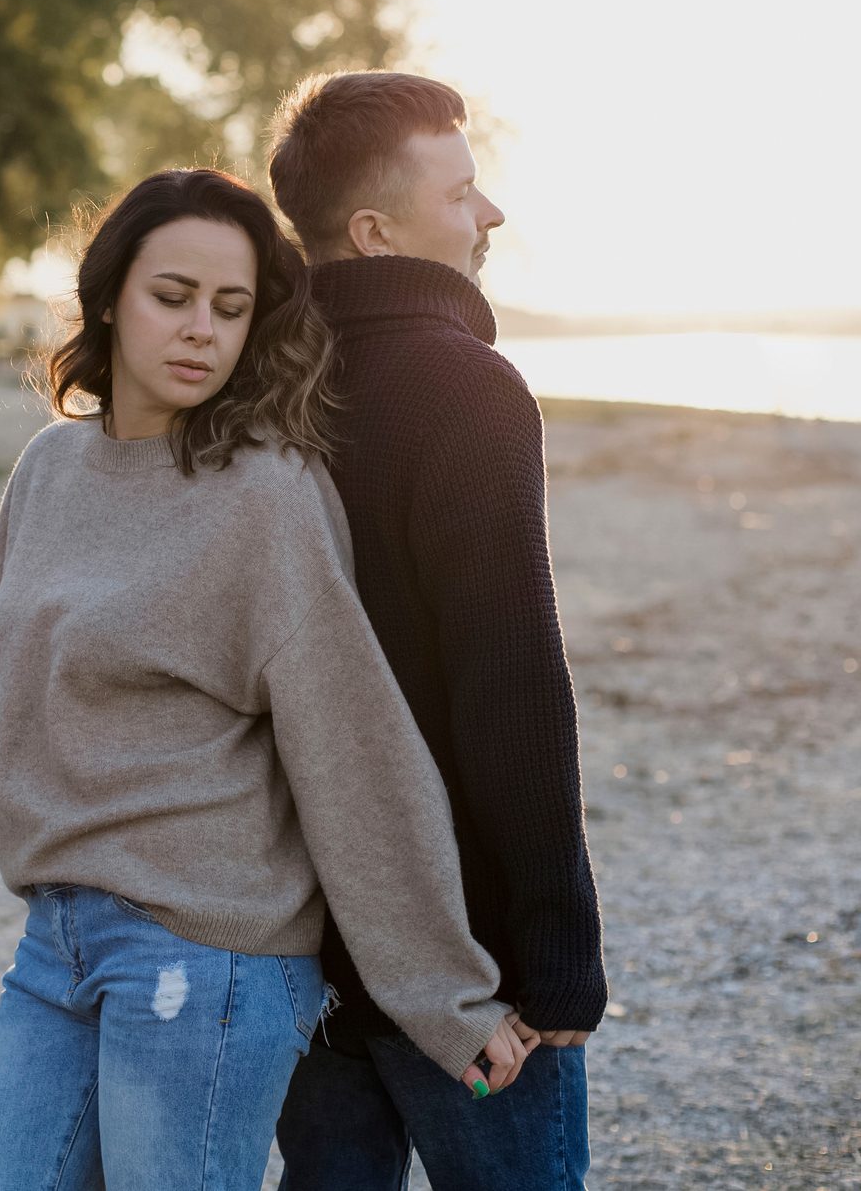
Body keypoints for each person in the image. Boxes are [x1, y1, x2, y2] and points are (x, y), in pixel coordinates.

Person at [0, 167, 532, 1191]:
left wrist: (444, 995)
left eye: (230, 309)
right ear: (109, 296)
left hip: (204, 960)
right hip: (57, 940)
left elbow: (353, 746)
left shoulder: (263, 493)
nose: (201, 332)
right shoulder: (46, 471)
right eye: (172, 297)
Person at [266, 72, 608, 1191]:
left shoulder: (262, 395)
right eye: (461, 193)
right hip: (465, 963)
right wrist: (554, 956)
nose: (490, 214)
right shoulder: (465, 388)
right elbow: (508, 687)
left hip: (307, 943)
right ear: (375, 232)